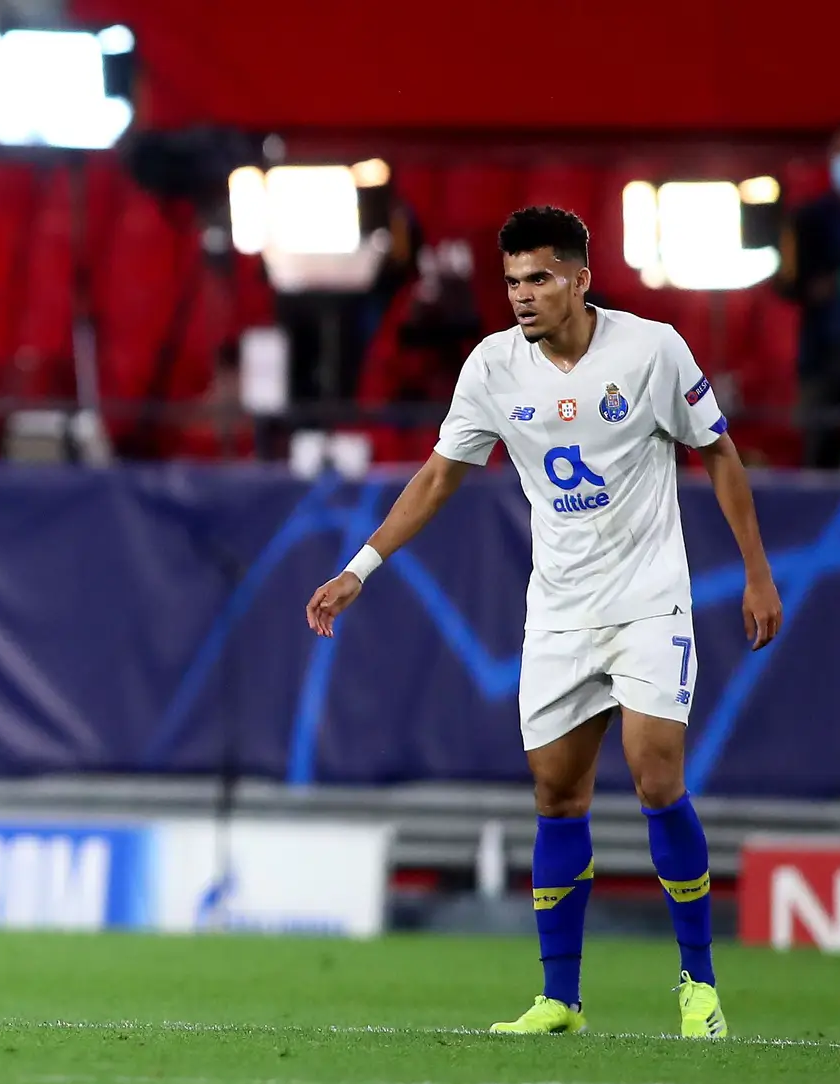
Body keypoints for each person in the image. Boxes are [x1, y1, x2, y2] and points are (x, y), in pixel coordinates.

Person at [304, 207, 783, 1039]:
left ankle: (699, 987)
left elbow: (718, 451)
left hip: (648, 598)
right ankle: (560, 998)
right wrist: (359, 568)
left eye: (539, 279)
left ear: (579, 280)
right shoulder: (492, 368)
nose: (522, 297)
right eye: (513, 281)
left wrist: (756, 570)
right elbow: (435, 478)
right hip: (560, 610)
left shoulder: (652, 349)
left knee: (654, 773)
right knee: (558, 796)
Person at [781, 127, 840, 469]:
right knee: (821, 448)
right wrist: (815, 288)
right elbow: (786, 282)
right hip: (824, 355)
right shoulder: (810, 219)